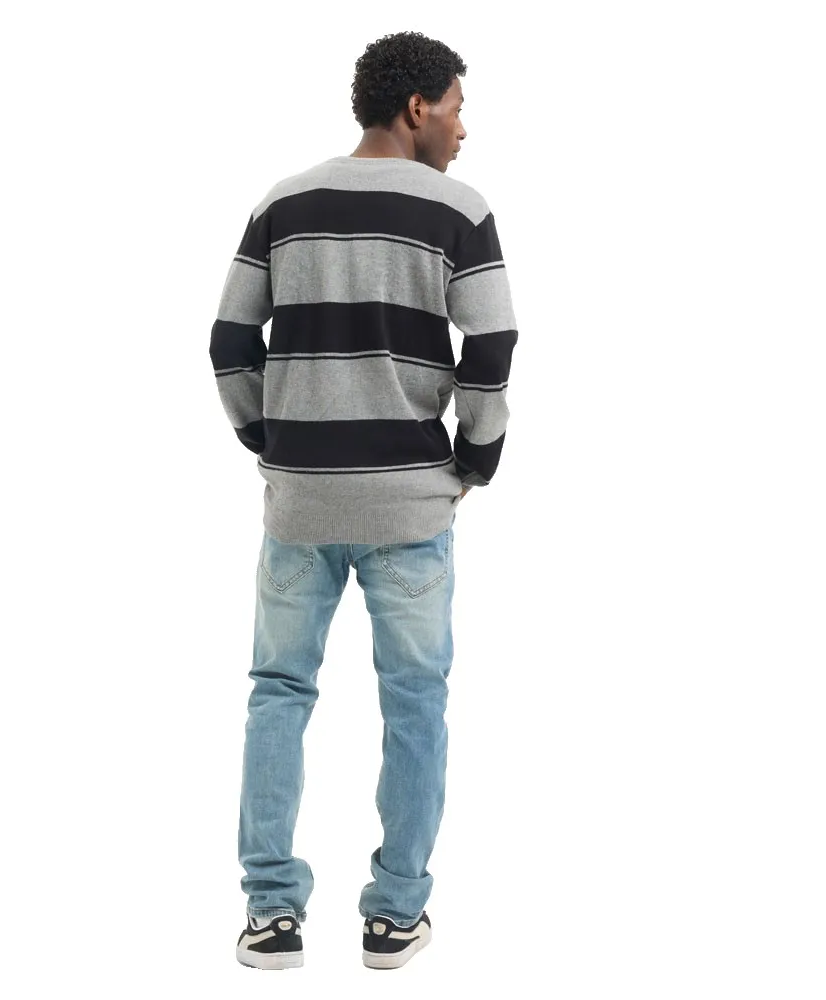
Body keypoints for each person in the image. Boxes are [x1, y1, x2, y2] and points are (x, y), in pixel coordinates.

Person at [208, 29, 519, 970]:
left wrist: (274, 443)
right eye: (457, 107)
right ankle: (394, 915)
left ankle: (270, 916)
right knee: (415, 703)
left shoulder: (284, 202)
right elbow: (493, 347)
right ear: (417, 107)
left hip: (299, 507)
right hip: (410, 510)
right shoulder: (461, 211)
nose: (463, 127)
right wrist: (475, 459)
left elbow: (228, 343)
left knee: (278, 693)